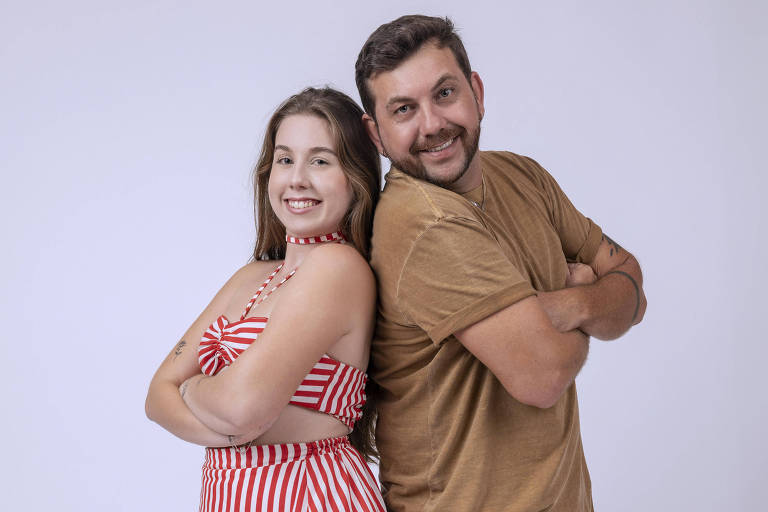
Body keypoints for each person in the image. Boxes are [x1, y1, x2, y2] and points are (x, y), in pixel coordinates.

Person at [354, 15, 648, 511]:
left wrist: (564, 305)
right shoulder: (421, 223)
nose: (432, 125)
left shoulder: (522, 176)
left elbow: (635, 292)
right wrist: (591, 294)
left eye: (444, 94)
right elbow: (542, 376)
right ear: (376, 134)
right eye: (403, 109)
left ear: (477, 92)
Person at [145, 87, 386, 512]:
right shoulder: (250, 277)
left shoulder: (338, 267)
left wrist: (195, 387)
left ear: (356, 176)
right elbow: (156, 397)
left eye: (320, 160)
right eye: (285, 159)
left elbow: (241, 407)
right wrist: (233, 433)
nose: (297, 178)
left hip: (309, 493)